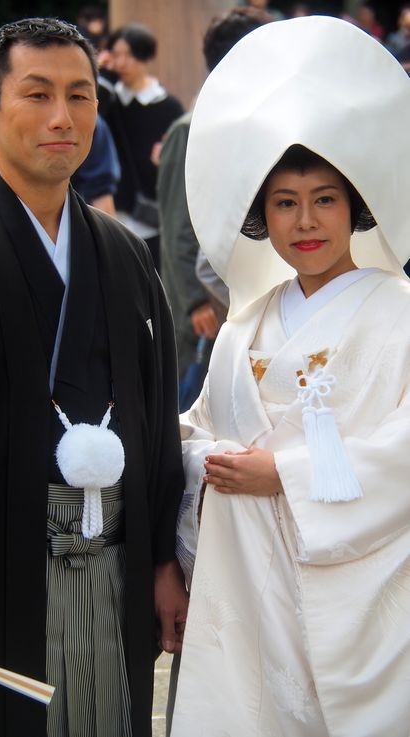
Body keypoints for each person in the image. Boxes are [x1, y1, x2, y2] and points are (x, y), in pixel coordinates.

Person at [0, 17, 186, 737]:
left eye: (81, 95)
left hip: (116, 560)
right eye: (36, 95)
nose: (63, 117)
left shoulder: (126, 254)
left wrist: (164, 558)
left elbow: (158, 417)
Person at [171, 16, 410, 737]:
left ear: (356, 208)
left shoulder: (396, 315)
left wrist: (289, 474)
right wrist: (205, 458)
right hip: (245, 583)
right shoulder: (245, 319)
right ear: (261, 218)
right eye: (283, 203)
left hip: (354, 593)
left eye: (325, 199)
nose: (305, 221)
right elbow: (199, 424)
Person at [157, 8, 262, 396]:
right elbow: (176, 231)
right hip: (201, 311)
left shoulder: (249, 125)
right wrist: (192, 305)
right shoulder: (189, 130)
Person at [106, 23, 183, 269]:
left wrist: (166, 160)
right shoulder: (108, 101)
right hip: (111, 211)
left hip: (152, 215)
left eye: (130, 55)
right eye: (116, 55)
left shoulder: (168, 106)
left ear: (146, 56)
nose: (121, 63)